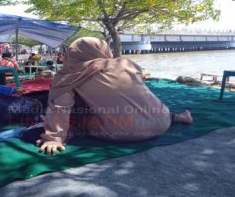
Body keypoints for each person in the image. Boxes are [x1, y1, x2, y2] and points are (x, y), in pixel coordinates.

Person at [36, 37, 193, 155]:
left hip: (125, 132)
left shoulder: (69, 74)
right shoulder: (125, 63)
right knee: (143, 102)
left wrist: (53, 138)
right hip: (162, 120)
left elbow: (60, 107)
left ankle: (71, 133)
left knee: (76, 115)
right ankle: (178, 117)